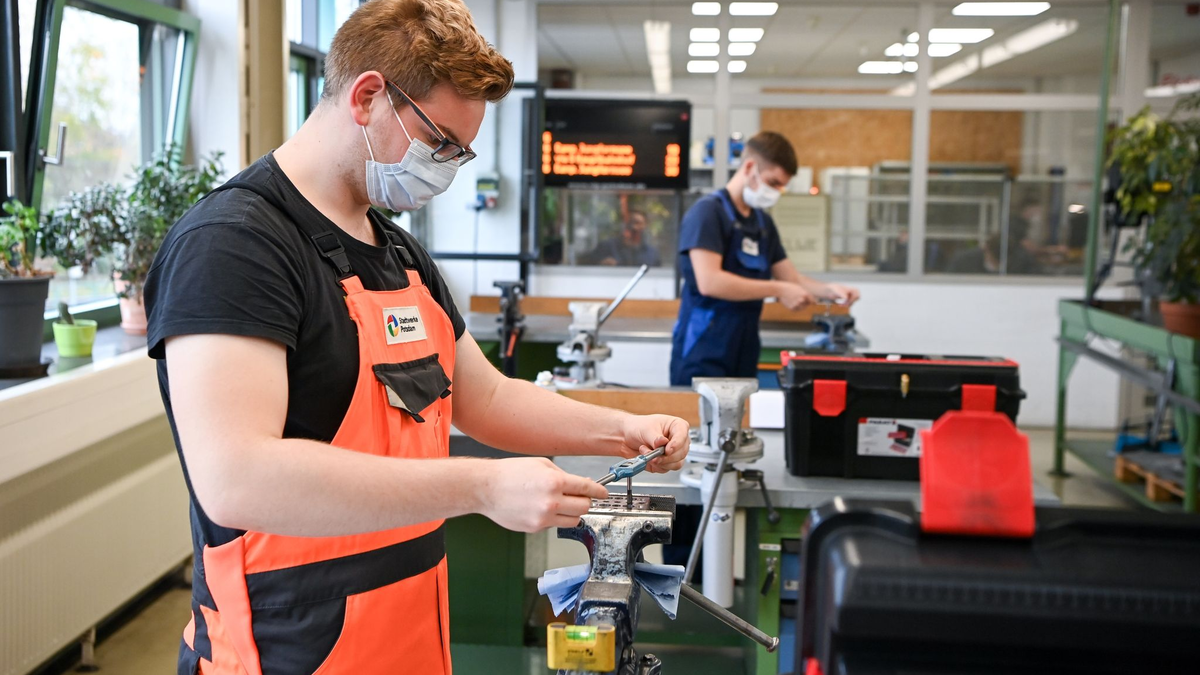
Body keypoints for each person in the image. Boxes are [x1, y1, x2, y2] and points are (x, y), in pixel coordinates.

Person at [143, 2, 690, 673]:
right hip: (283, 646)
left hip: (405, 637)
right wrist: (482, 488)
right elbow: (237, 477)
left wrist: (621, 431)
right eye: (441, 144)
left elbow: (485, 396)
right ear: (368, 95)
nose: (449, 167)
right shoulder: (234, 244)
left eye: (461, 152)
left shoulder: (398, 254)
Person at [669, 131, 861, 386]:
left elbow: (790, 278)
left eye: (781, 186)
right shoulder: (707, 214)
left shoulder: (762, 223)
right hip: (703, 346)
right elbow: (710, 281)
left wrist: (829, 291)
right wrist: (779, 289)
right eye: (773, 183)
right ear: (750, 167)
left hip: (744, 345)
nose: (777, 192)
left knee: (741, 422)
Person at [586, 209, 662, 267]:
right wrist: (602, 263)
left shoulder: (651, 253)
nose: (634, 227)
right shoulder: (607, 247)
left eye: (638, 223)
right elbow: (586, 265)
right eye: (630, 222)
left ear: (645, 226)